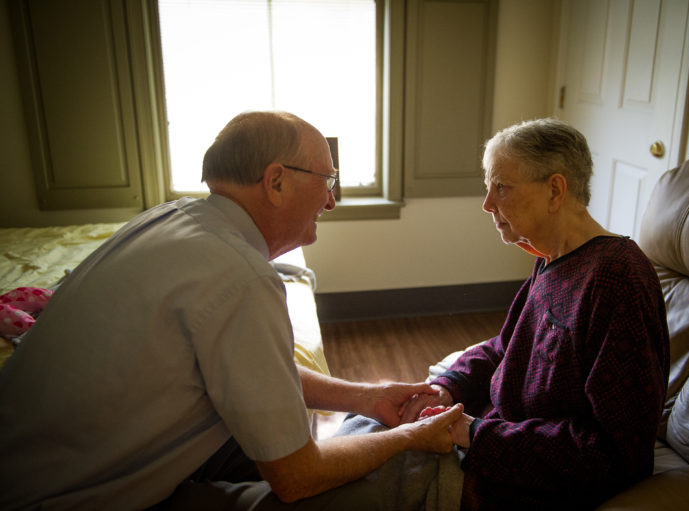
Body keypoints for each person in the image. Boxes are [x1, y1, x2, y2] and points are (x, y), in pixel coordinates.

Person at [0, 111, 464, 511]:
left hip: (31, 465)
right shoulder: (241, 277)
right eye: (327, 181)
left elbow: (252, 372)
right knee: (365, 497)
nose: (330, 200)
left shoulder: (168, 218)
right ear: (276, 181)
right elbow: (298, 477)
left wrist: (365, 398)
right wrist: (410, 438)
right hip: (63, 499)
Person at [395, 118, 671, 510]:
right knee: (369, 430)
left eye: (501, 187)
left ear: (555, 191)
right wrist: (448, 386)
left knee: (367, 475)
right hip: (492, 442)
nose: (487, 204)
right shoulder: (552, 260)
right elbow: (507, 347)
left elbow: (615, 451)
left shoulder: (616, 277)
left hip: (519, 483)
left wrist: (475, 435)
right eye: (487, 187)